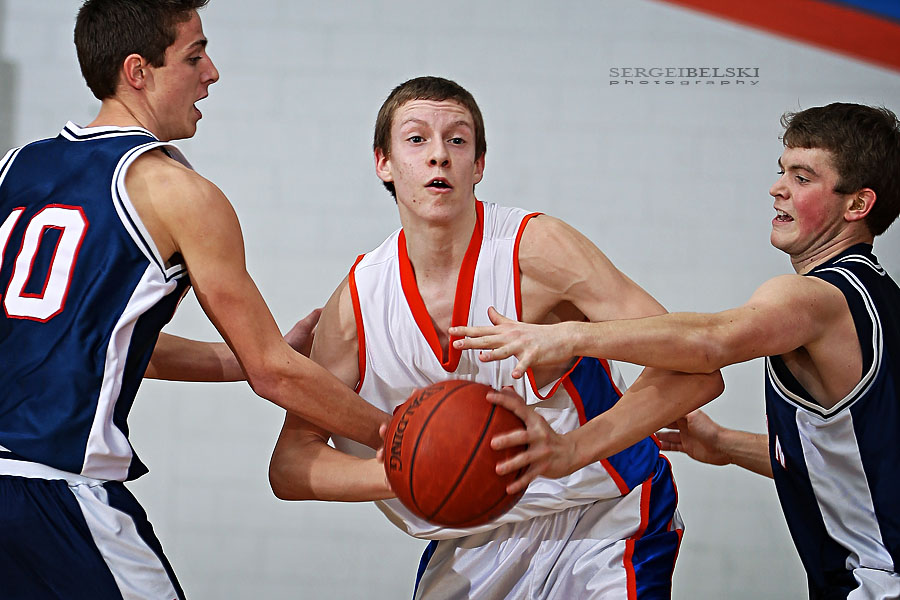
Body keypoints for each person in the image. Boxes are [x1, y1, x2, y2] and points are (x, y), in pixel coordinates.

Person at [268, 75, 723, 599]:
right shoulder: (356, 305)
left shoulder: (535, 251)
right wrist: (411, 473)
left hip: (603, 513)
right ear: (384, 163)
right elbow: (291, 463)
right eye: (417, 139)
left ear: (478, 165)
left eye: (457, 140)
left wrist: (572, 448)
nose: (439, 156)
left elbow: (695, 368)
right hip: (473, 538)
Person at [0, 1, 388, 598]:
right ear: (138, 71)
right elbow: (276, 374)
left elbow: (104, 343)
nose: (211, 73)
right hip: (57, 490)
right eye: (194, 54)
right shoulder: (177, 191)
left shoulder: (14, 167)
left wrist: (231, 360)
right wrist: (401, 436)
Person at [451, 102, 900, 598]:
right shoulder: (881, 298)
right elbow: (859, 468)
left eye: (802, 177)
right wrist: (726, 444)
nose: (778, 188)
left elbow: (709, 343)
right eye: (782, 171)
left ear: (857, 205)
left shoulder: (815, 297)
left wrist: (565, 336)